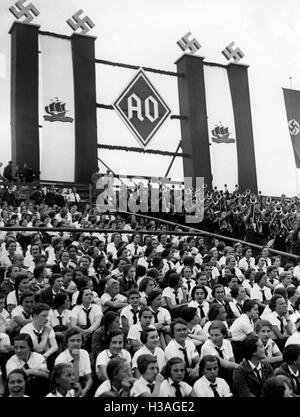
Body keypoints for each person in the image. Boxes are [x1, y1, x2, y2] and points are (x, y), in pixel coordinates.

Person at [54, 327, 93, 397]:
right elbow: (72, 382)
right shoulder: (60, 359)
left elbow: (89, 378)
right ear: (66, 343)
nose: (76, 343)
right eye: (72, 340)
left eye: (78, 340)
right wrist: (76, 360)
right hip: (67, 388)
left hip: (83, 386)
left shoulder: (84, 353)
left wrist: (86, 390)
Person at [164, 318, 200, 384]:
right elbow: (178, 368)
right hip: (177, 377)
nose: (182, 332)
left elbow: (198, 360)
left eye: (184, 329)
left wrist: (197, 368)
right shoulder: (170, 349)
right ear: (173, 333)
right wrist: (194, 371)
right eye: (179, 330)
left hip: (191, 374)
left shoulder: (190, 344)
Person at [230, 299, 259, 363]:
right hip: (236, 346)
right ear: (247, 311)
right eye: (255, 310)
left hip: (241, 344)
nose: (258, 312)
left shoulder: (249, 319)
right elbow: (255, 337)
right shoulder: (243, 321)